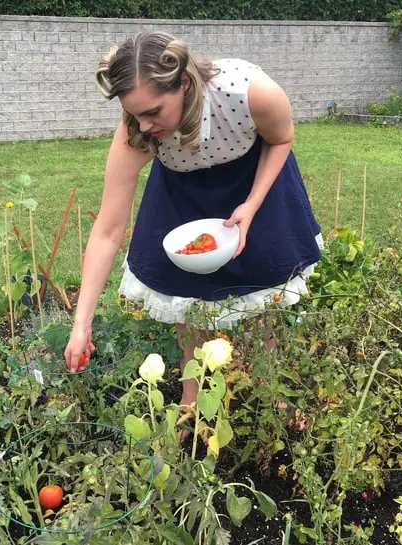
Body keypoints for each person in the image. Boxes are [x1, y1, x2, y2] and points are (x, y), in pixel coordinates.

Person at [63, 31, 322, 419]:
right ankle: (192, 402)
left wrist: (251, 205)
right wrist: (80, 325)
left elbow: (282, 138)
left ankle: (272, 396)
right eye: (134, 114)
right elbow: (107, 229)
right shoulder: (138, 132)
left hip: (253, 181)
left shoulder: (247, 91)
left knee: (267, 286)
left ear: (183, 83)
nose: (144, 125)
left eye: (153, 111)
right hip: (184, 193)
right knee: (189, 298)